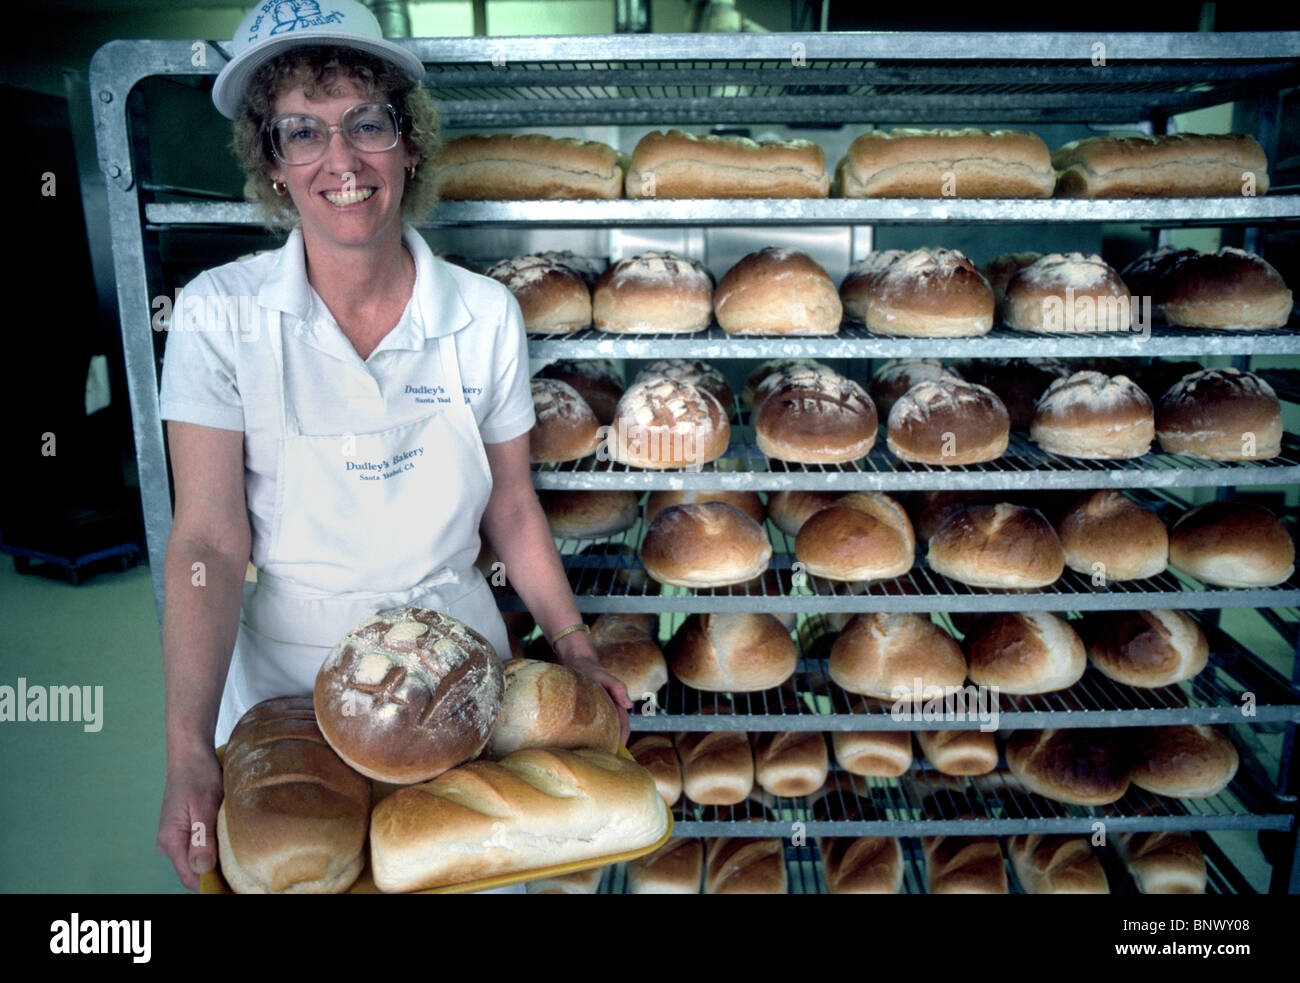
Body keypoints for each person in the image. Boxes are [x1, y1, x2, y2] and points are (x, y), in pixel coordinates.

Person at [155, 0, 631, 892]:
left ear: (408, 144)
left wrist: (573, 643)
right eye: (303, 132)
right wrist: (187, 747)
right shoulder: (219, 315)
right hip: (288, 695)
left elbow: (512, 503)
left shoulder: (482, 314)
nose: (341, 161)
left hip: (460, 679)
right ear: (273, 163)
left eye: (366, 124)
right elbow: (209, 543)